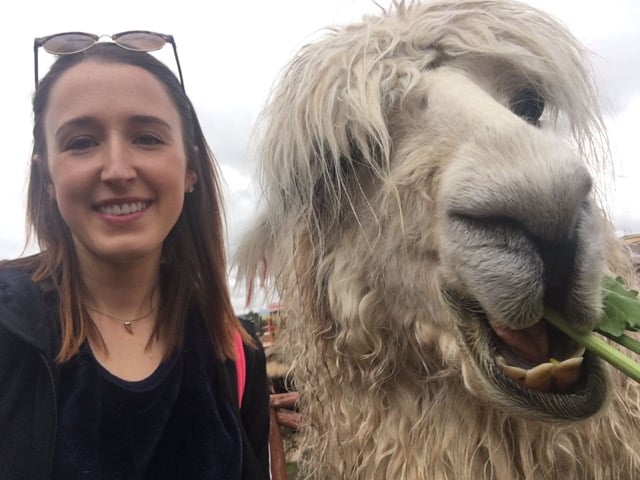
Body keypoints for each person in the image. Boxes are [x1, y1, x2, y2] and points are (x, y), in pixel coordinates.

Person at [0, 31, 270, 480]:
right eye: (82, 142)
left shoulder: (236, 356)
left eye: (146, 137)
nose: (119, 170)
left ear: (190, 170)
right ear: (46, 176)